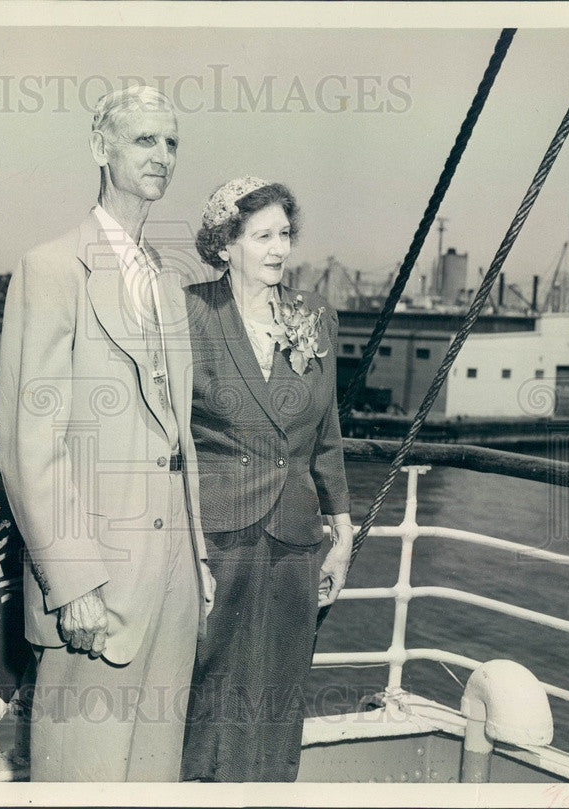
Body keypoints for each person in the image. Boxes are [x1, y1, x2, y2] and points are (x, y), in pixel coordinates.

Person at [0, 86, 214, 782]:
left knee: (154, 775)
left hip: (172, 583)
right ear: (101, 149)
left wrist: (199, 559)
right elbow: (33, 442)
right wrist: (71, 579)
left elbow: (177, 437)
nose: (162, 156)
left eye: (171, 142)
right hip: (95, 585)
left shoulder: (167, 282)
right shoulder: (52, 268)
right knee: (79, 776)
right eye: (145, 140)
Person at [180, 177, 353, 782]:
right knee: (208, 684)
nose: (279, 248)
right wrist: (184, 544)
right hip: (216, 536)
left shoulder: (313, 317)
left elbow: (325, 433)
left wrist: (342, 530)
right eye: (262, 236)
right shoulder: (189, 313)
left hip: (295, 537)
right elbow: (169, 437)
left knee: (281, 687)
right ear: (225, 245)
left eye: (284, 234)